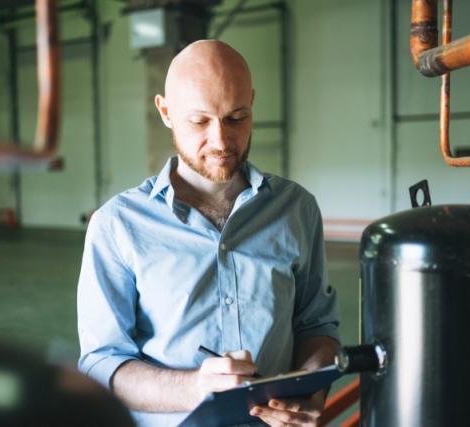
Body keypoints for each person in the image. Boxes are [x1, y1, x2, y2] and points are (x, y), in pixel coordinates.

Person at [77, 39, 340, 427]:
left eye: (236, 118)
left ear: (252, 102)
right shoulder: (117, 225)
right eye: (199, 121)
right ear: (165, 112)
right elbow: (101, 364)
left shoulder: (296, 209)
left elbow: (316, 326)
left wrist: (311, 393)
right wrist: (195, 387)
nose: (220, 142)